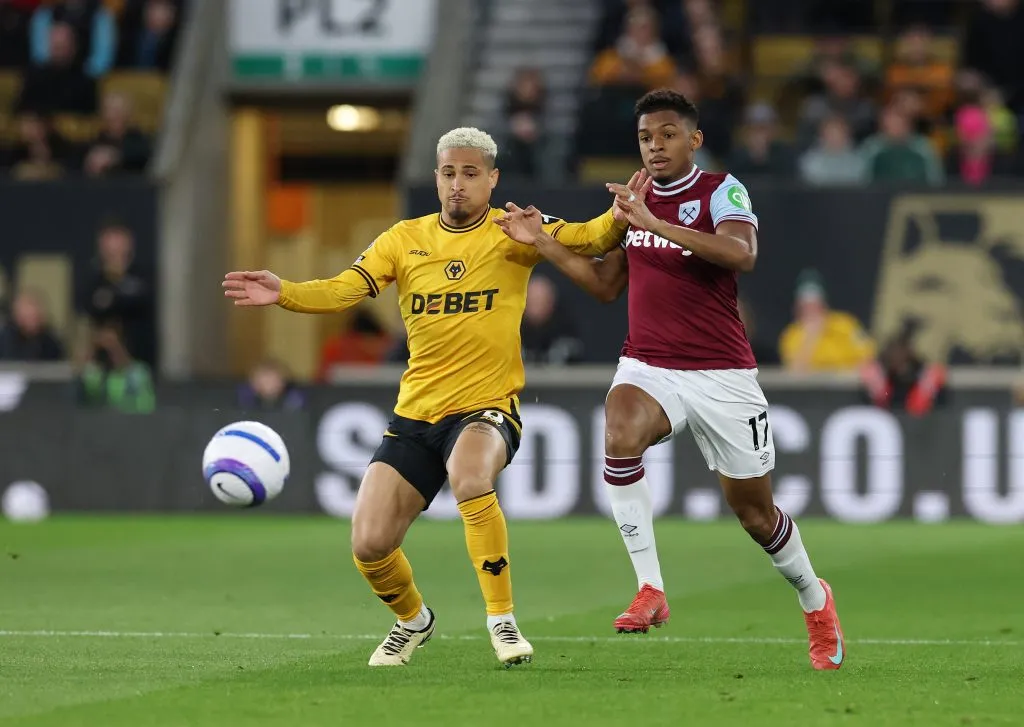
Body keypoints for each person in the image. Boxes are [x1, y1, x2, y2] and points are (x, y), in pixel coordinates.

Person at [222, 127, 635, 668]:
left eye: (469, 174)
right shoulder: (403, 239)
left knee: (470, 476)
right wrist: (286, 293)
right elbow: (346, 288)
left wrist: (623, 214)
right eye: (447, 173)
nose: (457, 185)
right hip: (416, 415)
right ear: (437, 179)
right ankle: (413, 620)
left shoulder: (514, 230)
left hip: (487, 409)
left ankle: (503, 623)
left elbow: (592, 237)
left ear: (492, 179)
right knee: (369, 543)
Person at [495, 90, 846, 670]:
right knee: (618, 434)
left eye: (666, 135)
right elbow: (607, 285)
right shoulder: (634, 200)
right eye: (645, 138)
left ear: (694, 139)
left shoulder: (721, 191)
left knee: (757, 515)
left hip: (723, 374)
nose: (654, 147)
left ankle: (814, 597)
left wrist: (656, 222)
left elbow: (742, 254)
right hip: (649, 363)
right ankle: (651, 588)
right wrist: (544, 243)